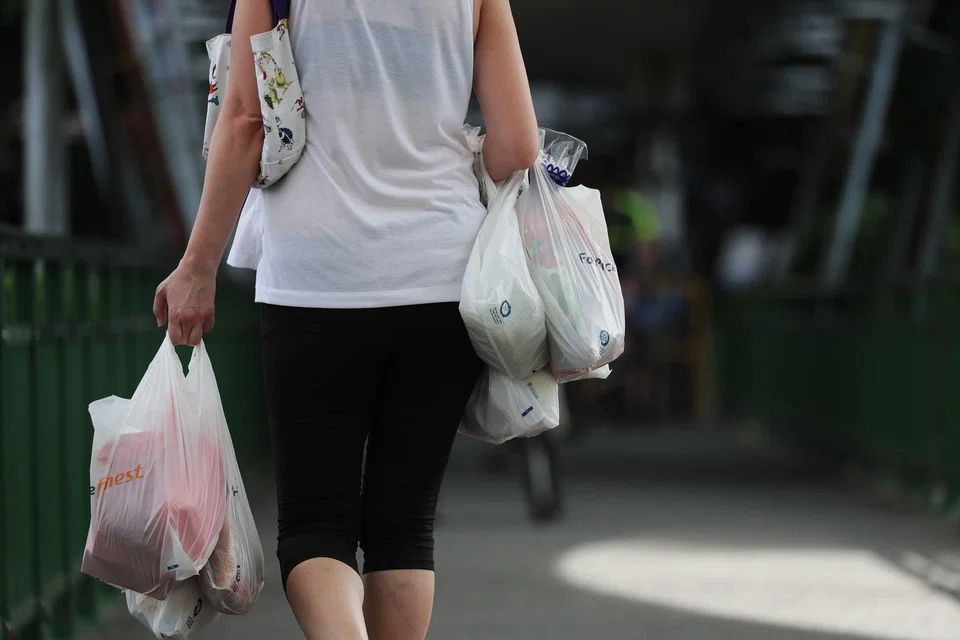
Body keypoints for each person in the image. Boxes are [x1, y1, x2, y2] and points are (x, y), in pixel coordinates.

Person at [152, 0, 539, 638]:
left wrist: (198, 265)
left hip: (315, 279)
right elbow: (518, 145)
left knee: (315, 527)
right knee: (404, 527)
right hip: (440, 278)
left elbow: (246, 117)